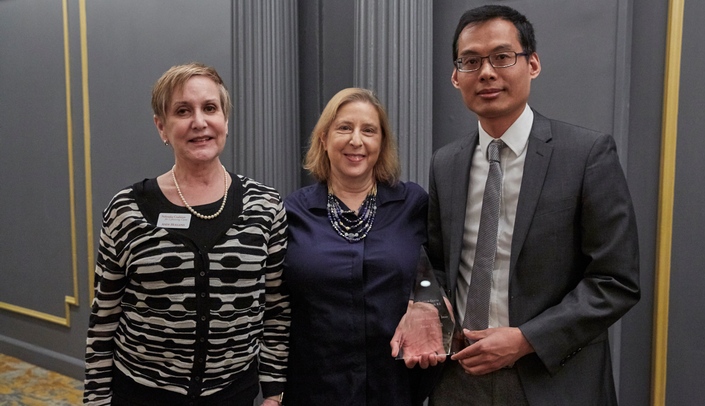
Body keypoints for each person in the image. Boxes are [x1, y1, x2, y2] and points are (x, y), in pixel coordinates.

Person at [426, 5, 640, 406]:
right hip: (459, 379)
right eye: (470, 61)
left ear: (533, 64)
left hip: (551, 378)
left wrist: (525, 340)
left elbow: (615, 281)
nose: (486, 72)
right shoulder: (446, 163)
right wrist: (432, 314)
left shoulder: (587, 154)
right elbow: (438, 263)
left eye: (502, 57)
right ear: (456, 77)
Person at [83, 62, 289, 406]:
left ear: (225, 118)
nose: (199, 122)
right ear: (162, 127)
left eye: (210, 108)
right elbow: (103, 318)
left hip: (233, 396)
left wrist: (273, 393)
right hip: (140, 395)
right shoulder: (126, 210)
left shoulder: (265, 206)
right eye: (182, 111)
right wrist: (96, 401)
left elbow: (277, 310)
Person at [282, 88, 432, 405]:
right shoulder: (292, 212)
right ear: (324, 138)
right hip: (316, 387)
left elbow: (442, 270)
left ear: (381, 143)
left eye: (369, 131)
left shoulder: (412, 204)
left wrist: (425, 302)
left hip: (395, 385)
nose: (356, 141)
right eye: (344, 128)